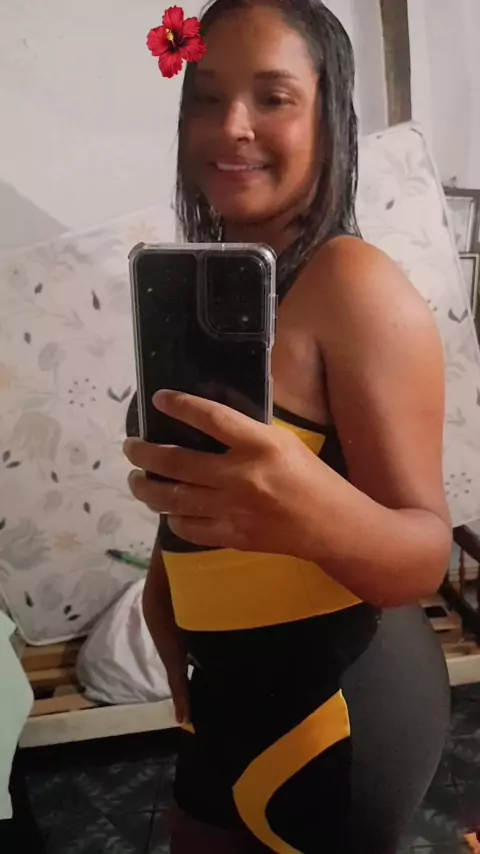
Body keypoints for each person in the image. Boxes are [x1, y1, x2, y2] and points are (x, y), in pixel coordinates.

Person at [124, 1, 452, 851]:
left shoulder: (353, 285)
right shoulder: (201, 288)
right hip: (224, 692)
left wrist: (310, 505)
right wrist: (165, 587)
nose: (232, 126)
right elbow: (208, 472)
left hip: (340, 702)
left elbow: (423, 555)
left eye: (273, 97)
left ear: (328, 118)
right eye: (206, 97)